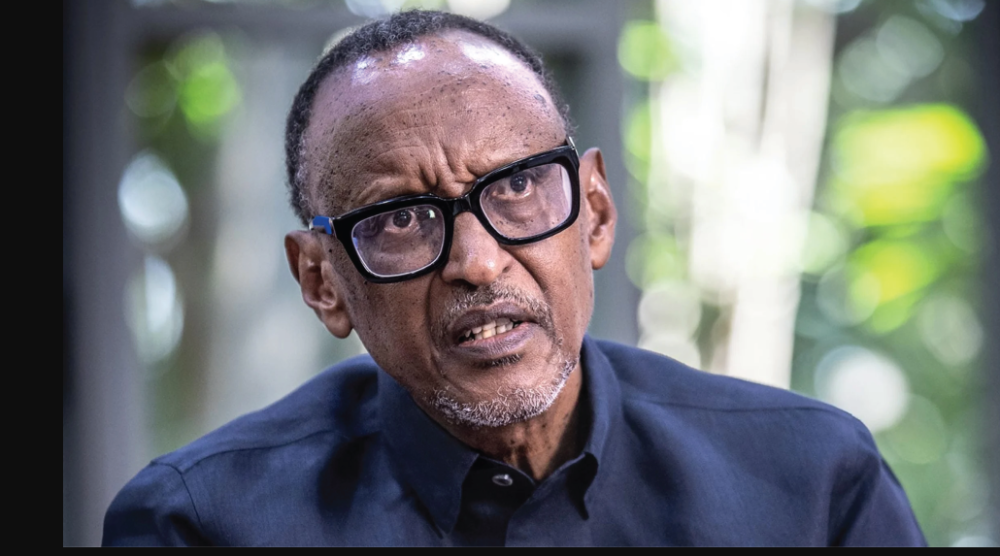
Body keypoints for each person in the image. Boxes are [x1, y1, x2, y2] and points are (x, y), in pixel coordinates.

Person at [103, 10, 926, 546]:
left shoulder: (812, 483)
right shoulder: (197, 524)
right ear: (323, 282)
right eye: (400, 219)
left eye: (518, 186)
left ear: (595, 212)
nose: (477, 260)